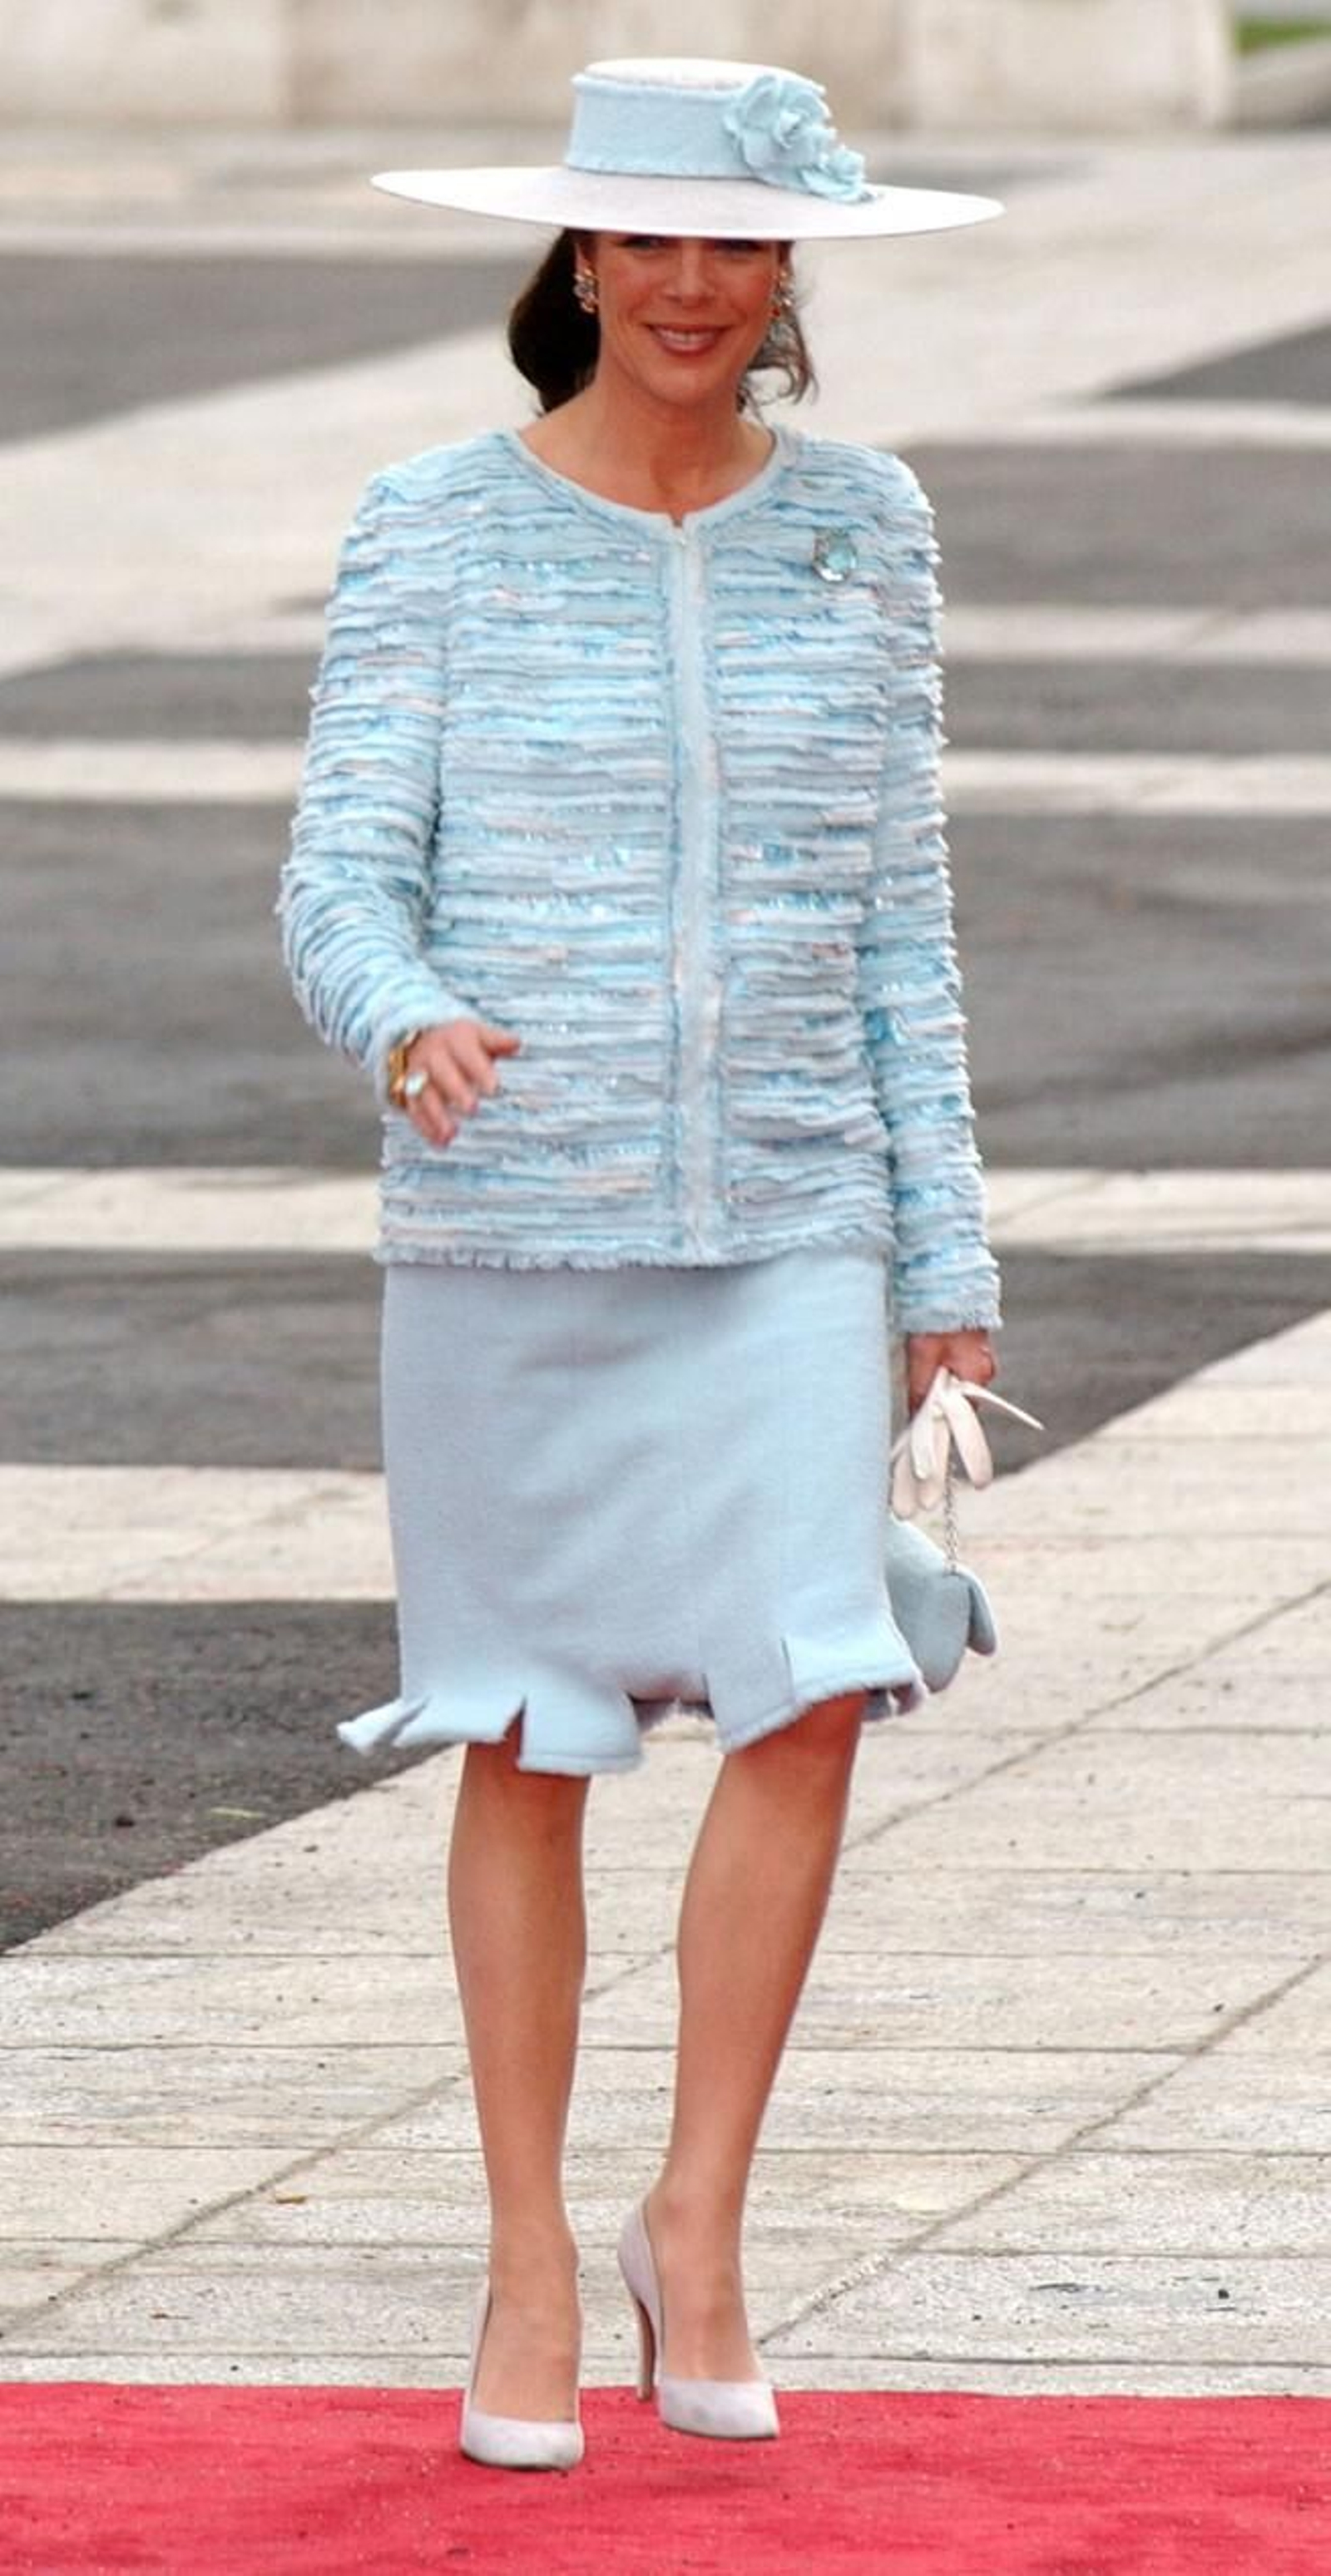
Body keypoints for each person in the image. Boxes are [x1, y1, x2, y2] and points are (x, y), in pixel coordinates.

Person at [280, 56, 1003, 2472]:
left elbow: (903, 915)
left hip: (796, 1207)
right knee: (523, 1721)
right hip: (512, 1230)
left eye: (742, 245)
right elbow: (339, 877)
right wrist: (406, 1020)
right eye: (653, 240)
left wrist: (946, 1237)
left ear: (789, 274)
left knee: (808, 1691)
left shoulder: (871, 535)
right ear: (581, 261)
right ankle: (517, 2248)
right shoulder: (434, 531)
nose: (697, 287)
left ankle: (697, 2218)